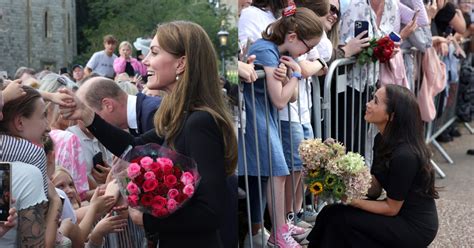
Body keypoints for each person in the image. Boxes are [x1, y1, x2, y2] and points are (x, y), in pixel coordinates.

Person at [60, 21, 238, 248]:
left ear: (181, 63)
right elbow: (133, 148)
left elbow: (210, 212)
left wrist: (147, 219)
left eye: (153, 52)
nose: (144, 61)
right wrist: (87, 115)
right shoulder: (179, 116)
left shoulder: (199, 121)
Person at [307, 84, 439, 247]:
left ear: (391, 116)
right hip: (397, 215)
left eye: (375, 101)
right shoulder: (382, 140)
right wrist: (339, 167)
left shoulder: (405, 155)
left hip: (414, 227)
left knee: (341, 220)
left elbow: (391, 208)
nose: (368, 104)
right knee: (330, 212)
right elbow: (375, 189)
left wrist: (352, 201)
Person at [239, 6, 324, 247]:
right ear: (293, 37)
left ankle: (282, 227)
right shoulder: (265, 51)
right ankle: (279, 231)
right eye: (307, 47)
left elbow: (292, 98)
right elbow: (279, 100)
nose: (307, 52)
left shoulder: (277, 52)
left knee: (280, 172)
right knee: (278, 173)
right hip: (257, 119)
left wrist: (291, 76)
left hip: (265, 118)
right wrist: (295, 77)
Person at [75, 77, 161, 136]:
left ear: (108, 105)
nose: (89, 121)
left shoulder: (154, 114)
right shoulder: (142, 113)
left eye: (90, 114)